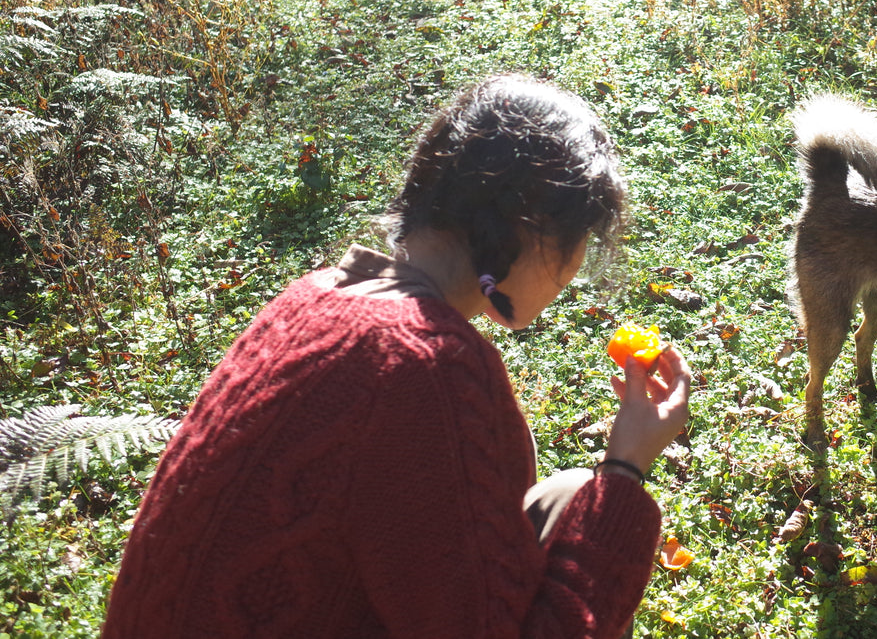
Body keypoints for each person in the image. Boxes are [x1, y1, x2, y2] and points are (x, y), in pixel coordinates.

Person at [101, 73, 691, 639]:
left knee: (563, 499)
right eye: (580, 236)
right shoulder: (431, 367)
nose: (579, 262)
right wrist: (625, 469)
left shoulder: (315, 295)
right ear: (531, 228)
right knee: (589, 507)